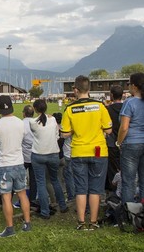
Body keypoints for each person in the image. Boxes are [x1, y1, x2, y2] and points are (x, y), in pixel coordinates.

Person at [61, 75, 112, 230]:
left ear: (75, 90)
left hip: (78, 151)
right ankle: (94, 221)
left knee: (81, 188)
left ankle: (81, 222)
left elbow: (64, 134)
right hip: (98, 151)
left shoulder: (70, 109)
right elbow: (109, 129)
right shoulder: (100, 106)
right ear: (89, 89)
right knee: (96, 188)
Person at [0, 95, 32, 237]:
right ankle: (27, 223)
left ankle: (10, 228)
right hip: (19, 162)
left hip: (4, 165)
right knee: (22, 194)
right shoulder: (20, 123)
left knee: (6, 197)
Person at [30, 99, 69, 219]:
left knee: (41, 183)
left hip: (38, 154)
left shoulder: (32, 122)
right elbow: (57, 135)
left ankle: (45, 212)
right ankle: (62, 205)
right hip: (53, 154)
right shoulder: (52, 120)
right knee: (55, 180)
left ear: (35, 109)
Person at [117, 72, 144, 204]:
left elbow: (124, 127)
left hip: (131, 143)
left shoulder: (130, 102)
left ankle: (128, 213)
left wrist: (119, 142)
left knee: (128, 181)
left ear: (134, 86)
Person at [106, 85, 124, 191]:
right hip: (125, 141)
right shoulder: (126, 107)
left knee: (112, 169)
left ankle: (114, 191)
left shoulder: (108, 109)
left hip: (112, 142)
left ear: (111, 95)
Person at [21, 105, 37, 209]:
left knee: (19, 179)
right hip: (35, 154)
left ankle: (21, 199)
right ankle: (31, 200)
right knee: (34, 180)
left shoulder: (21, 124)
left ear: (24, 113)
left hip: (23, 156)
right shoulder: (37, 122)